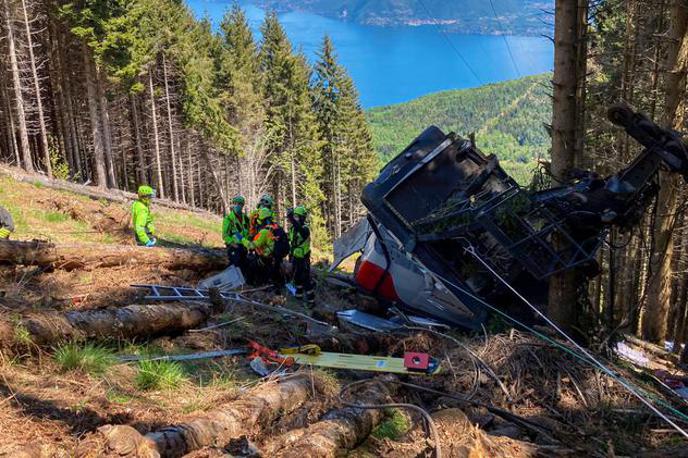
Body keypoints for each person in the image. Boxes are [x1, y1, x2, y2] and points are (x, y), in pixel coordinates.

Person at [249, 207, 289, 289]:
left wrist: (243, 240)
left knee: (254, 264)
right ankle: (276, 283)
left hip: (269, 258)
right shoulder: (277, 227)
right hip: (277, 256)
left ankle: (262, 283)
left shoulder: (265, 231)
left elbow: (254, 245)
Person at [288, 206, 315, 305]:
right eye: (294, 216)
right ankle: (298, 297)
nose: (295, 219)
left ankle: (311, 301)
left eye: (297, 217)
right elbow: (292, 242)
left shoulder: (304, 229)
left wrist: (291, 218)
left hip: (303, 259)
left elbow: (299, 229)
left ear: (302, 218)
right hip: (295, 257)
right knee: (297, 278)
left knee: (306, 279)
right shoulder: (292, 229)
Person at [222, 195, 250, 274]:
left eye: (240, 204)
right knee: (234, 265)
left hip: (244, 247)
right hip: (234, 247)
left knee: (244, 266)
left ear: (242, 205)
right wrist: (232, 243)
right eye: (236, 203)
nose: (238, 205)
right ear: (233, 204)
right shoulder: (229, 219)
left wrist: (248, 243)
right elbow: (225, 235)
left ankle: (243, 284)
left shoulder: (246, 218)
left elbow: (248, 232)